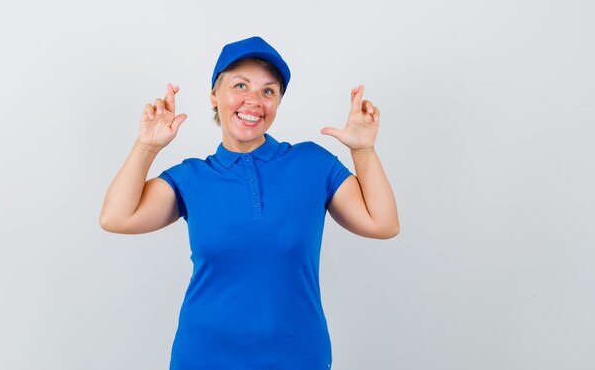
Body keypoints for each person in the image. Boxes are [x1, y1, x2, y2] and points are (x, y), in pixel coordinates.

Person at [99, 36, 399, 370]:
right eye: (240, 85)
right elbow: (116, 217)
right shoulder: (191, 178)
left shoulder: (313, 164)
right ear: (214, 96)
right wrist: (146, 145)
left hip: (299, 359)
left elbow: (383, 224)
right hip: (203, 359)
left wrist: (363, 151)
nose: (253, 100)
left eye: (268, 91)